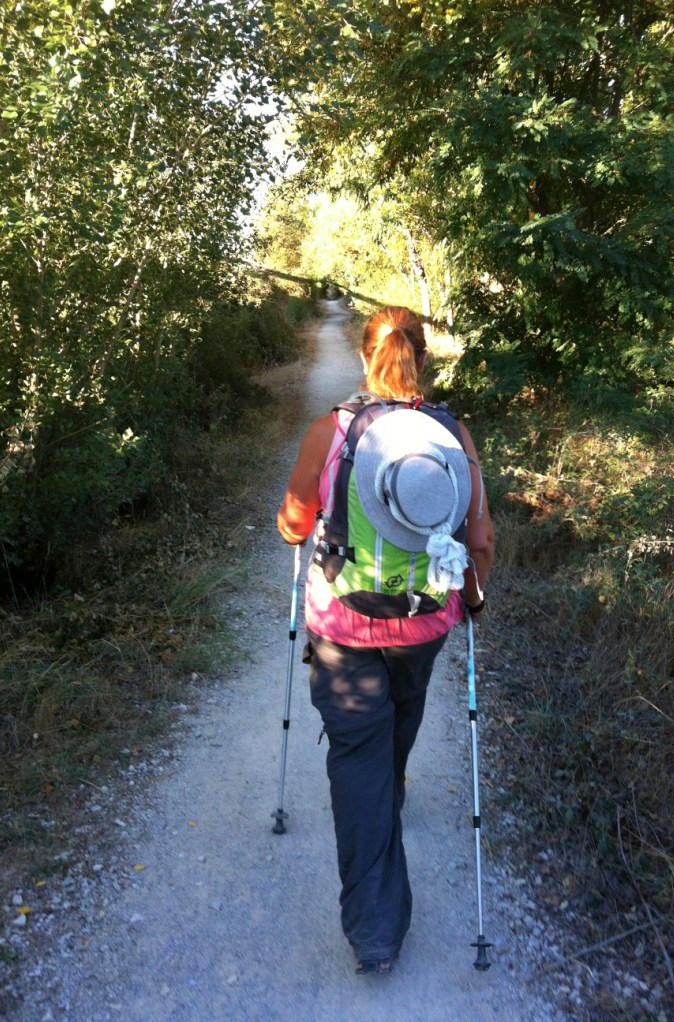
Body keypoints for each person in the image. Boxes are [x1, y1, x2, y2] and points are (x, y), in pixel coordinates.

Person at [277, 305, 494, 975]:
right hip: (424, 621)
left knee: (355, 751)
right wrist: (474, 595)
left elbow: (292, 524)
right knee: (403, 707)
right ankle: (392, 778)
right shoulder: (453, 436)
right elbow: (479, 536)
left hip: (341, 628)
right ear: (421, 359)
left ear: (365, 356)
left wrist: (299, 525)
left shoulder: (331, 431)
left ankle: (376, 931)